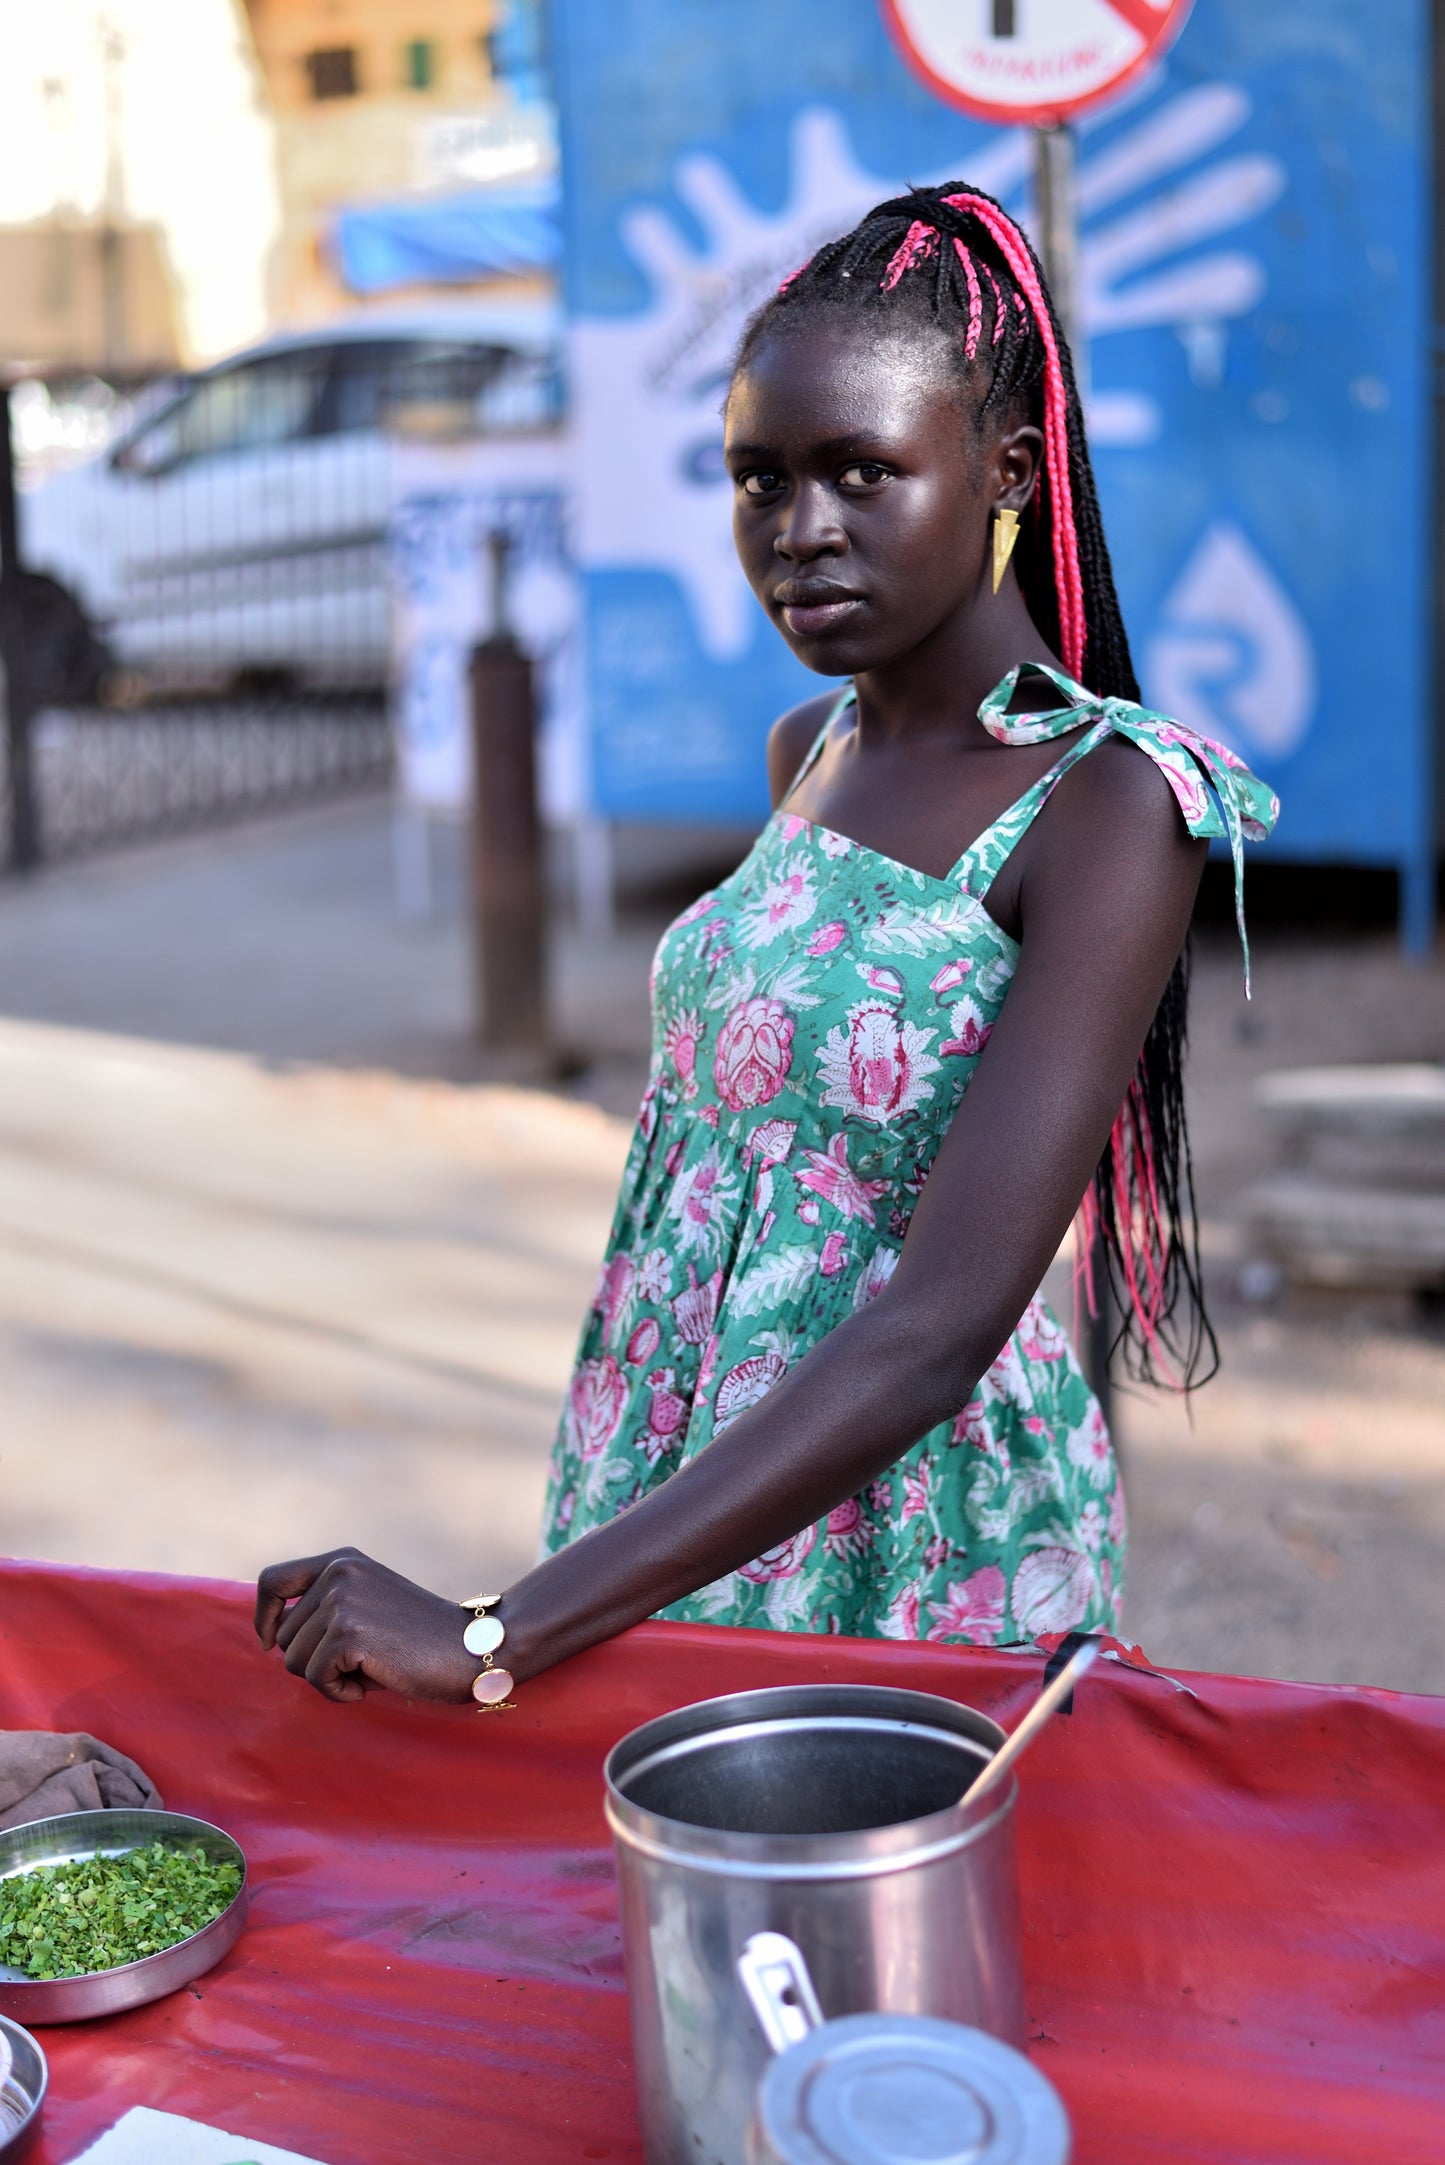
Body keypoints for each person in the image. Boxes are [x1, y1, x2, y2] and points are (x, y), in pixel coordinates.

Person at [255, 185, 1277, 1706]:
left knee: (863, 1944)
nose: (800, 531)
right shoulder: (810, 746)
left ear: (1003, 471)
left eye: (863, 472)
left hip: (914, 1548)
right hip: (675, 1486)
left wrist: (490, 1631)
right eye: (758, 481)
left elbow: (938, 1325)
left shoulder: (1106, 801)